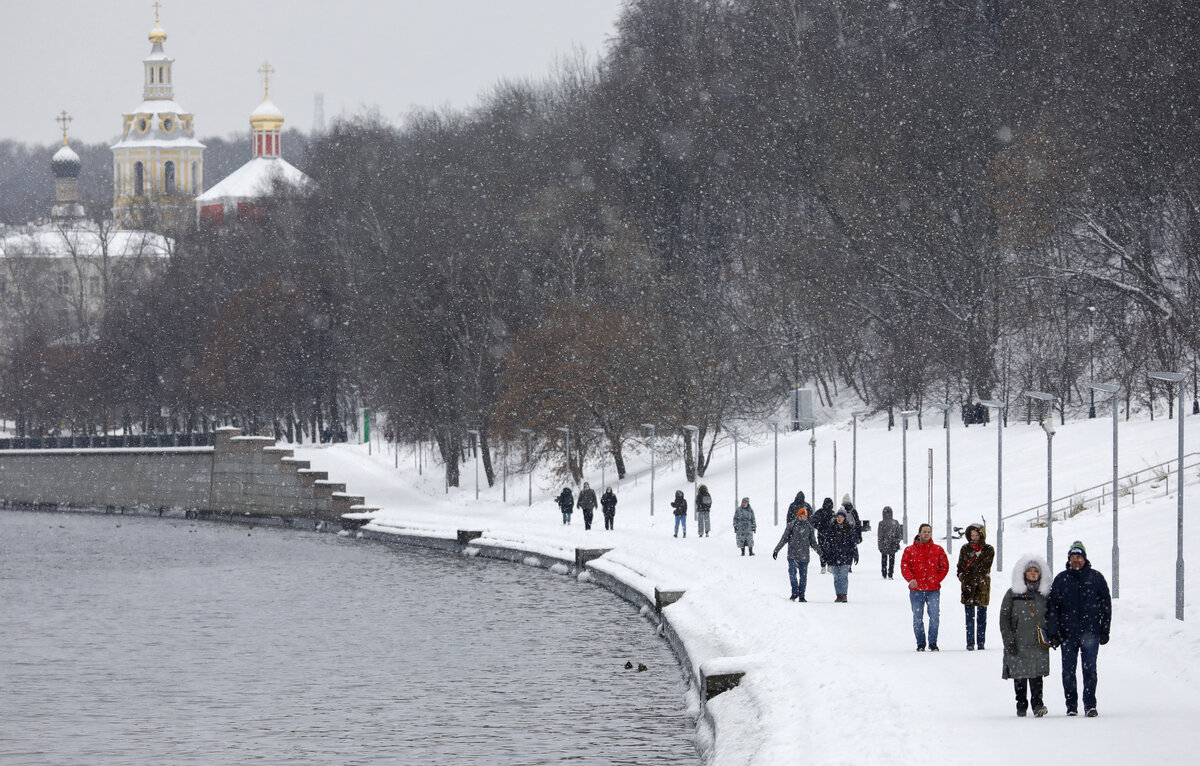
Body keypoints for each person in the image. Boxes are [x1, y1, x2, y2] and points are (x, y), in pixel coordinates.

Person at [1045, 541, 1111, 717]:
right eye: (1073, 556)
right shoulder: (1061, 579)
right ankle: (1071, 706)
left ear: (1085, 558)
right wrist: (1053, 633)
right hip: (1067, 634)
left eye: (1079, 556)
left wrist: (1105, 630)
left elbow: (1106, 605)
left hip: (1091, 633)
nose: (1076, 560)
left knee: (1089, 670)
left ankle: (1090, 704)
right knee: (1068, 671)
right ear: (1069, 559)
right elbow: (1053, 608)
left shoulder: (1096, 578)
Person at [999, 555, 1052, 718]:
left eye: (1036, 571)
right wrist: (1008, 640)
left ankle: (1038, 705)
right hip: (1018, 640)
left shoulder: (1045, 594)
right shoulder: (1013, 593)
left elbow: (1052, 615)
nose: (1033, 574)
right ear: (1024, 573)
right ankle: (1021, 705)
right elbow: (1004, 618)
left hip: (1038, 641)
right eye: (1030, 571)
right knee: (1020, 675)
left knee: (1037, 675)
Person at [901, 523, 950, 651]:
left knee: (934, 617)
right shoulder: (910, 550)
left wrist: (937, 579)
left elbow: (944, 566)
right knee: (917, 618)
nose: (926, 533)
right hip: (916, 590)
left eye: (929, 531)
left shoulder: (938, 550)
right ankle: (920, 644)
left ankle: (933, 643)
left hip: (933, 590)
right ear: (919, 533)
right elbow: (904, 565)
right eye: (924, 531)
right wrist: (910, 579)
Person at [772, 504, 822, 601]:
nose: (803, 518)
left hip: (804, 556)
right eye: (801, 516)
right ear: (798, 516)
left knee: (803, 577)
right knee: (792, 574)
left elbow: (813, 542)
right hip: (793, 555)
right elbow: (784, 539)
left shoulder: (809, 527)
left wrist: (821, 554)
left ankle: (802, 595)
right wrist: (776, 550)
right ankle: (795, 592)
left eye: (805, 516)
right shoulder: (792, 525)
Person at [957, 523, 995, 650]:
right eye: (971, 535)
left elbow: (986, 566)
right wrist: (961, 575)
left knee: (982, 616)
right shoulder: (964, 548)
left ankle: (981, 642)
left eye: (976, 535)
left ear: (981, 535)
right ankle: (970, 642)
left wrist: (977, 556)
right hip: (968, 585)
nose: (974, 538)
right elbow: (960, 565)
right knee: (969, 617)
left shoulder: (988, 549)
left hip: (982, 586)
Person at [825, 509, 859, 602]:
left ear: (844, 518)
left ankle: (844, 594)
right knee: (836, 577)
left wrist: (855, 554)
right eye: (838, 517)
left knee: (843, 576)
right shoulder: (831, 529)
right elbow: (827, 542)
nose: (839, 519)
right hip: (834, 556)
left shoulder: (849, 529)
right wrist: (827, 553)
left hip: (846, 556)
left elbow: (853, 543)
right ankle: (838, 594)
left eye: (841, 517)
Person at [876, 506, 903, 579]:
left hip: (884, 544)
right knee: (892, 560)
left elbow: (880, 536)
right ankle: (890, 574)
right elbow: (899, 535)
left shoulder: (881, 523)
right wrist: (896, 541)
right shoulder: (895, 522)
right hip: (892, 544)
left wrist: (880, 545)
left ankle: (884, 574)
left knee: (884, 559)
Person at [811, 496, 835, 573]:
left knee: (822, 550)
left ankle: (823, 566)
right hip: (829, 534)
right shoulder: (832, 513)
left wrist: (819, 527)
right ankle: (829, 565)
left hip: (822, 534)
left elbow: (813, 522)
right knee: (830, 550)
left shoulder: (819, 512)